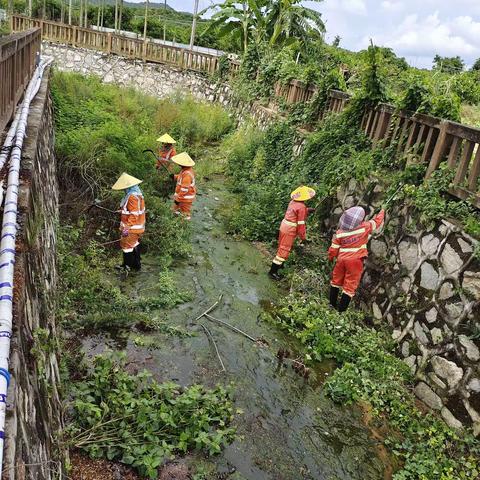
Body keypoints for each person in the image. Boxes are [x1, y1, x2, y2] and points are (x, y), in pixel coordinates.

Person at [328, 206, 385, 312]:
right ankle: (341, 311)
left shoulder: (340, 233)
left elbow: (333, 249)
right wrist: (382, 211)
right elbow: (376, 222)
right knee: (350, 286)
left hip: (341, 260)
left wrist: (331, 258)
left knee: (336, 281)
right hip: (355, 260)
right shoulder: (365, 227)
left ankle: (331, 304)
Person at [269, 186, 316, 279]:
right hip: (290, 229)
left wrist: (307, 210)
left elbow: (295, 212)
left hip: (284, 226)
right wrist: (303, 238)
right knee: (284, 249)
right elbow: (301, 224)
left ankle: (280, 265)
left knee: (281, 246)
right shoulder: (302, 206)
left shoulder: (292, 202)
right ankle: (272, 272)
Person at [112, 172, 146, 271]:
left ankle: (127, 267)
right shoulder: (138, 195)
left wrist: (127, 227)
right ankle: (136, 264)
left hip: (132, 228)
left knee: (126, 246)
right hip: (137, 228)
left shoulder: (132, 197)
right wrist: (122, 211)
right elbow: (133, 210)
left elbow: (134, 214)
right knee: (134, 244)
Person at [171, 152, 196, 220]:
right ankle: (176, 221)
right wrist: (174, 177)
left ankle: (184, 225)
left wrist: (178, 200)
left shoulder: (187, 174)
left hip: (185, 198)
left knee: (185, 213)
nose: (178, 164)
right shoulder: (185, 170)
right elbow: (181, 177)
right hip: (182, 197)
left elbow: (184, 189)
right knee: (175, 210)